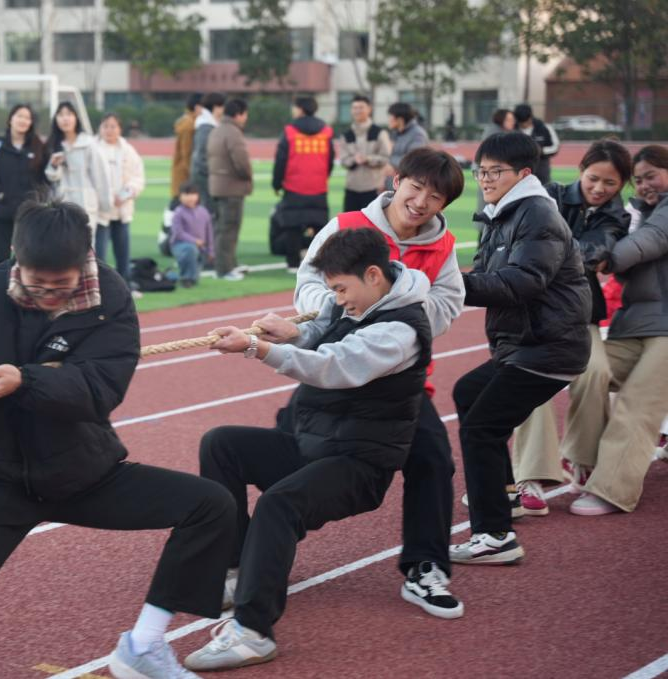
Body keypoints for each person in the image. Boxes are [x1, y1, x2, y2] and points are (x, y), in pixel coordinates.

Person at [0, 198, 235, 679]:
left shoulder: (110, 297)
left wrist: (26, 380)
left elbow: (101, 389)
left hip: (87, 473)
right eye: (37, 284)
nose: (49, 295)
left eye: (61, 285)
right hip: (6, 477)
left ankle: (143, 645)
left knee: (211, 505)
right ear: (16, 256)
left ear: (85, 260)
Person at [184, 227, 433, 671]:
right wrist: (290, 334)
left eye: (340, 288)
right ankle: (237, 570)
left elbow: (334, 365)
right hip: (317, 443)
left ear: (373, 275)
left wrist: (257, 347)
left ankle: (253, 632)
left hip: (359, 463)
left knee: (279, 504)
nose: (336, 299)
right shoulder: (358, 303)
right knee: (221, 444)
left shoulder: (399, 330)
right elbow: (324, 338)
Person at [293, 147, 465, 617]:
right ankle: (256, 548)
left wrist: (388, 317)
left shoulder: (443, 248)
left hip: (396, 382)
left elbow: (446, 306)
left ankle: (426, 567)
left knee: (433, 458)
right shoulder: (347, 225)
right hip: (333, 367)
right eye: (416, 187)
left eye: (435, 197)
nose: (422, 202)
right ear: (396, 180)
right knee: (288, 453)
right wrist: (343, 311)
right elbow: (309, 281)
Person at [450, 132, 590, 565]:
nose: (486, 179)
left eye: (496, 172)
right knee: (468, 394)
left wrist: (448, 285)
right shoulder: (501, 214)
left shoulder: (537, 214)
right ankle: (506, 495)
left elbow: (523, 282)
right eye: (481, 171)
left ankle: (495, 536)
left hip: (548, 345)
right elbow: (483, 275)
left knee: (481, 428)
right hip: (525, 344)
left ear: (524, 173)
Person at [510, 139, 631, 514]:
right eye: (593, 178)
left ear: (621, 184)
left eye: (610, 183)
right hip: (532, 309)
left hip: (580, 311)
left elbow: (592, 254)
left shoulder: (616, 217)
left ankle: (583, 457)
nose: (599, 188)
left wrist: (546, 248)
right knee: (531, 376)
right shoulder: (548, 197)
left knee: (596, 373)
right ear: (581, 171)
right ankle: (531, 474)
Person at [558, 145, 668, 515]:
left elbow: (652, 239)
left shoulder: (656, 218)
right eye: (638, 179)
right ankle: (585, 460)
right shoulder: (635, 213)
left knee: (638, 402)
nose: (644, 185)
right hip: (635, 324)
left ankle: (613, 489)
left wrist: (605, 257)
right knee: (588, 372)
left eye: (652, 176)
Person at [272, 95, 334, 271]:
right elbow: (330, 160)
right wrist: (322, 176)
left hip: (294, 187)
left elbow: (281, 160)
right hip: (318, 187)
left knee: (292, 227)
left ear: (300, 109)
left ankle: (293, 263)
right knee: (319, 227)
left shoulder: (290, 131)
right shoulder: (326, 132)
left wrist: (277, 184)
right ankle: (319, 263)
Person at [0, 103, 47, 265]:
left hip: (30, 214)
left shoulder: (38, 146)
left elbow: (46, 178)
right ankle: (3, 283)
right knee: (2, 260)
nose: (23, 120)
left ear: (31, 122)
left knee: (29, 258)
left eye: (27, 118)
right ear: (11, 119)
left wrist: (39, 201)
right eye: (19, 116)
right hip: (4, 212)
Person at [44, 102, 110, 241]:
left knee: (84, 247)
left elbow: (100, 176)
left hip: (85, 204)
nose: (65, 118)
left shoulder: (88, 144)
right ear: (56, 119)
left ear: (76, 118)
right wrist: (54, 165)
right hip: (61, 205)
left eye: (69, 114)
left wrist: (105, 205)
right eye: (61, 115)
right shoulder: (53, 144)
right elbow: (51, 177)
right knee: (62, 246)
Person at [96, 112, 145, 281]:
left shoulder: (128, 151)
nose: (109, 130)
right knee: (99, 255)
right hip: (100, 211)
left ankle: (125, 286)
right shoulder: (93, 149)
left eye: (113, 126)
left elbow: (138, 178)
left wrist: (124, 194)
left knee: (123, 254)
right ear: (100, 128)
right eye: (105, 126)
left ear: (120, 129)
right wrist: (105, 197)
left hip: (122, 210)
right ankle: (99, 287)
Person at [207, 98, 253, 281]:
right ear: (239, 114)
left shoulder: (217, 130)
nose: (246, 118)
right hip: (231, 187)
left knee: (222, 229)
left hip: (218, 186)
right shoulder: (233, 133)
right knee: (229, 229)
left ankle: (229, 264)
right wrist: (248, 176)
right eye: (245, 114)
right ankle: (225, 269)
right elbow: (241, 162)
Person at [338, 95, 392, 212]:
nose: (357, 111)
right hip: (351, 188)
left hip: (373, 188)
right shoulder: (346, 134)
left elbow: (386, 157)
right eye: (354, 108)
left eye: (361, 107)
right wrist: (354, 160)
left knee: (372, 222)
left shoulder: (379, 133)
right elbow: (343, 159)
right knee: (349, 221)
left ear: (369, 109)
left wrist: (368, 159)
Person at [169, 182, 214, 288]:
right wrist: (195, 241)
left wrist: (211, 250)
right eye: (186, 194)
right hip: (180, 245)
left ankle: (177, 275)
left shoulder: (203, 211)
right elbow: (178, 233)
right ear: (180, 197)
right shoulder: (178, 212)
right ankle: (186, 278)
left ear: (198, 196)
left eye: (193, 194)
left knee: (195, 272)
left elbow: (209, 232)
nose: (190, 197)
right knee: (190, 250)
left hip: (201, 247)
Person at [189, 92, 226, 216]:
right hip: (204, 177)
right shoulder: (205, 127)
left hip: (205, 175)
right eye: (222, 106)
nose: (223, 110)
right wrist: (215, 172)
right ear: (216, 107)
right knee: (208, 213)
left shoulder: (208, 125)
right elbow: (201, 156)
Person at [475, 109, 517, 214]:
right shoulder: (497, 136)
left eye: (513, 120)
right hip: (491, 174)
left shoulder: (498, 132)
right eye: (509, 120)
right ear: (501, 120)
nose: (512, 122)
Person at [513, 103, 559, 185]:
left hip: (541, 171)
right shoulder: (512, 130)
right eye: (521, 123)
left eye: (525, 122)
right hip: (519, 173)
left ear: (531, 117)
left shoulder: (544, 128)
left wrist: (540, 150)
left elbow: (555, 147)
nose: (523, 125)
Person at [386, 102, 429, 184]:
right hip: (394, 178)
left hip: (409, 181)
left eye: (390, 117)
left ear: (400, 119)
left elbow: (413, 160)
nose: (388, 120)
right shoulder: (395, 133)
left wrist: (389, 163)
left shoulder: (418, 134)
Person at [171, 92, 203, 198]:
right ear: (197, 107)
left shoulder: (189, 122)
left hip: (183, 177)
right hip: (185, 179)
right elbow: (187, 154)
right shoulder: (189, 125)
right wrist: (194, 176)